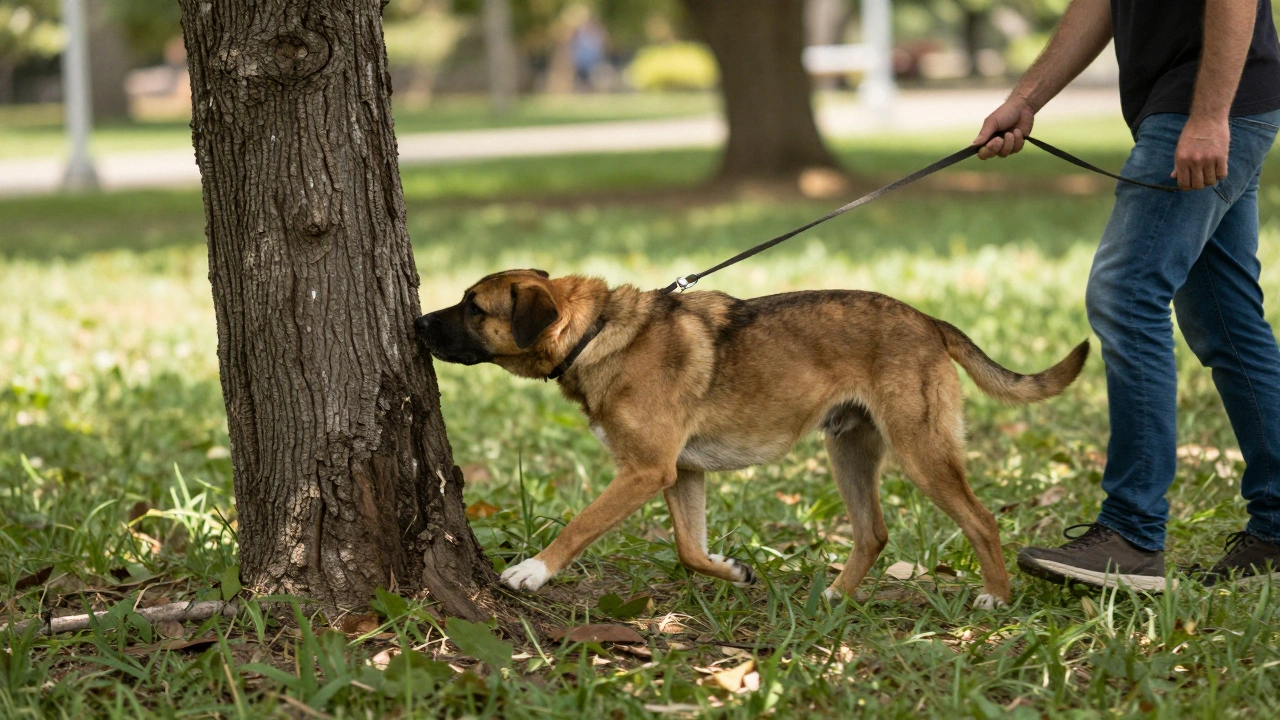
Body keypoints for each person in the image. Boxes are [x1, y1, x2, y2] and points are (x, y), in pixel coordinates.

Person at [974, 0, 1280, 591]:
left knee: (1126, 291)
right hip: (1205, 105)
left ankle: (1132, 536)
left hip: (1205, 105)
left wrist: (1209, 115)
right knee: (1227, 321)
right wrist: (1027, 98)